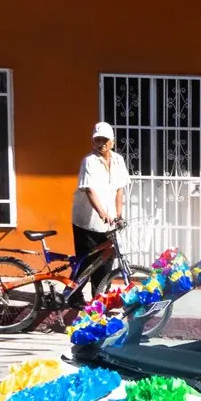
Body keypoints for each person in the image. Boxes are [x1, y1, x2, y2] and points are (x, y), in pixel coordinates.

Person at [71, 121, 130, 303]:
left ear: (112, 141)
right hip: (87, 220)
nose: (102, 143)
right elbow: (89, 189)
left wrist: (118, 214)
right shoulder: (89, 161)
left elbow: (120, 188)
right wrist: (102, 212)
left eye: (105, 139)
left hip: (109, 221)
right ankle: (74, 295)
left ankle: (99, 296)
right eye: (98, 140)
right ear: (93, 142)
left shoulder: (118, 160)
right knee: (86, 260)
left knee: (105, 261)